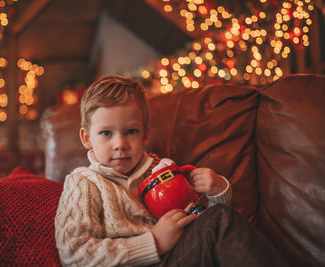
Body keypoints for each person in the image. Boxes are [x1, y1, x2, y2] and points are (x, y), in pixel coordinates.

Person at [55, 74, 287, 267]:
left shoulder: (161, 171)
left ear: (145, 134)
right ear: (86, 138)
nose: (120, 144)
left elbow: (196, 220)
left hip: (180, 257)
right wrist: (153, 242)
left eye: (131, 131)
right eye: (106, 133)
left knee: (219, 219)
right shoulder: (84, 183)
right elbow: (74, 254)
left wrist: (217, 193)